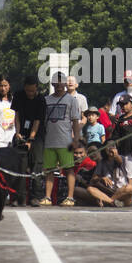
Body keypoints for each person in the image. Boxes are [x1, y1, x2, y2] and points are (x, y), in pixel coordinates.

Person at [39, 72, 82, 207]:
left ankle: (70, 197)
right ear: (52, 84)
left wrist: (76, 139)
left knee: (69, 169)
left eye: (61, 82)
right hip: (49, 140)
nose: (58, 85)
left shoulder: (71, 100)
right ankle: (47, 197)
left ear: (65, 83)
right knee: (49, 170)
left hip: (65, 141)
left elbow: (75, 121)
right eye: (56, 83)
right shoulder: (46, 100)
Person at [12, 75, 46, 207]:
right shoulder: (19, 96)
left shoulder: (40, 99)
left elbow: (37, 121)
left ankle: (35, 196)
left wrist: (31, 139)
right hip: (22, 133)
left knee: (36, 164)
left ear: (36, 88)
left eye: (32, 91)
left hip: (37, 135)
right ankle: (18, 197)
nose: (30, 93)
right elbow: (17, 116)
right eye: (27, 90)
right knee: (20, 165)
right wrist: (18, 133)